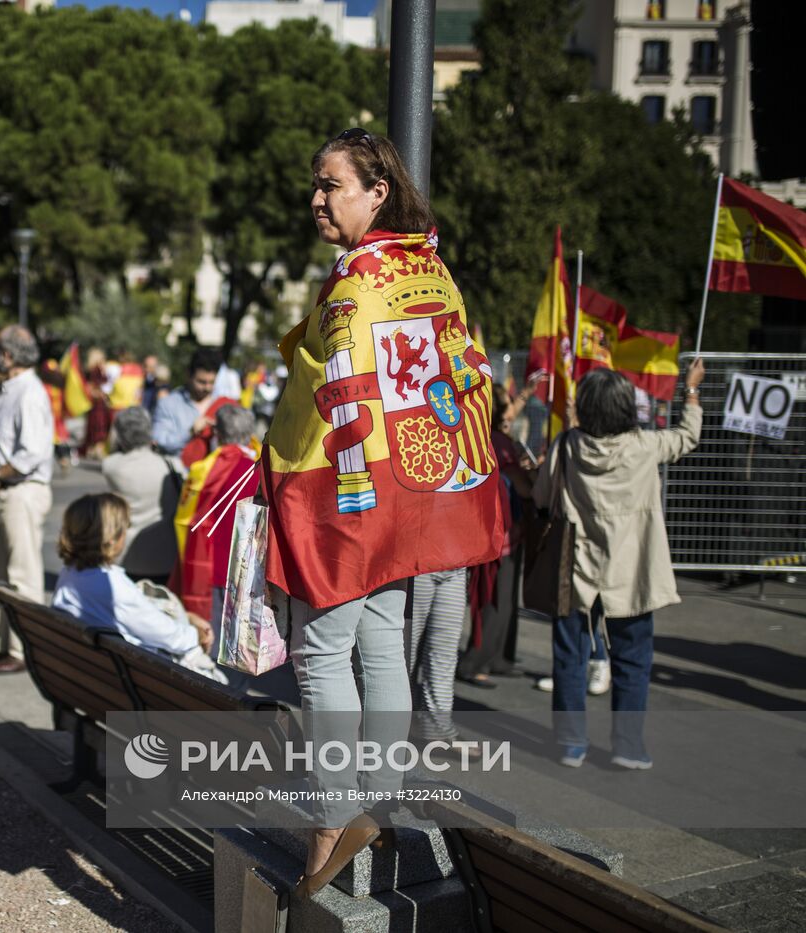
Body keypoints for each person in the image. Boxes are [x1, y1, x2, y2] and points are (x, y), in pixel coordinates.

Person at [264, 130, 504, 898]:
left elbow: (325, 398)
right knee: (382, 650)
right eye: (315, 184)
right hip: (413, 492)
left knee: (323, 653)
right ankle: (376, 796)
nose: (317, 199)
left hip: (350, 495)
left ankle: (331, 822)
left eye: (330, 184)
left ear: (377, 191)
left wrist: (279, 465)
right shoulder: (430, 270)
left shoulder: (359, 282)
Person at [535, 361, 704, 770]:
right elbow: (687, 437)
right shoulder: (645, 446)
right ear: (627, 407)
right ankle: (628, 747)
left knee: (569, 656)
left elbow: (542, 496)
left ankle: (571, 744)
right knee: (633, 659)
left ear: (587, 408)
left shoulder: (567, 445)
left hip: (574, 572)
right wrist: (691, 391)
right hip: (632, 574)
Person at [53, 493, 219, 679]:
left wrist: (188, 617)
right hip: (132, 684)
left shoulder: (70, 573)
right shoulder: (112, 587)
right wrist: (197, 634)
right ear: (112, 539)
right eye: (124, 529)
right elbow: (172, 638)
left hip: (89, 676)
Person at [0, 325, 55, 675]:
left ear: (8, 355)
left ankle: (24, 649)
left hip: (22, 490)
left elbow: (32, 453)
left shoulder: (29, 393)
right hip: (6, 489)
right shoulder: (13, 389)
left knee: (22, 574)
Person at [458, 381, 539, 688]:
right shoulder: (499, 442)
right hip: (499, 533)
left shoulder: (482, 437)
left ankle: (499, 658)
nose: (511, 408)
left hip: (498, 531)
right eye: (507, 404)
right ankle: (475, 661)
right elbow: (523, 486)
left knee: (501, 599)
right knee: (494, 599)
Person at [172, 404, 259, 630]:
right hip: (245, 568)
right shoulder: (258, 469)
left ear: (217, 434)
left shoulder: (202, 469)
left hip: (207, 566)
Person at [101, 406, 180, 582]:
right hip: (165, 555)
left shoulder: (111, 466)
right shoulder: (171, 465)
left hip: (126, 555)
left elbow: (112, 451)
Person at [407, 570, 466, 743]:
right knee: (403, 652)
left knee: (445, 654)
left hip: (456, 563)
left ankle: (437, 728)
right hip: (417, 565)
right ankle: (392, 726)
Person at [152, 347, 234, 466]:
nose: (207, 388)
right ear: (188, 374)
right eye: (201, 382)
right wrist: (190, 432)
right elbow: (160, 442)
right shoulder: (168, 404)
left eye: (212, 382)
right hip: (180, 476)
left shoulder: (224, 404)